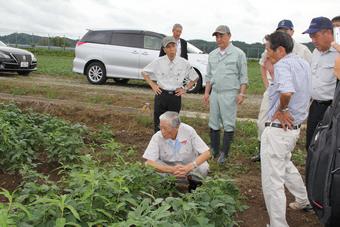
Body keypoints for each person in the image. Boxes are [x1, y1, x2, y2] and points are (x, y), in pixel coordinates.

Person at [261, 31, 312, 227]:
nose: (267, 54)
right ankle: (303, 199)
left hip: (278, 130)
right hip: (292, 129)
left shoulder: (282, 65)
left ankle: (278, 224)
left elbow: (287, 92)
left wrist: (282, 109)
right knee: (286, 164)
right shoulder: (302, 63)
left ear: (280, 50)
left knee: (273, 181)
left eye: (268, 50)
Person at [252, 19, 312, 162]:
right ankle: (264, 149)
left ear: (292, 31)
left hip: (290, 95)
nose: (283, 33)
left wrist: (283, 109)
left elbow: (289, 90)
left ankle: (277, 152)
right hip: (275, 89)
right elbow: (263, 65)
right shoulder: (272, 46)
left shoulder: (301, 50)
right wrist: (268, 86)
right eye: (280, 30)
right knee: (263, 121)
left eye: (286, 30)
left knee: (284, 127)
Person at [203, 25, 248, 164]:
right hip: (215, 93)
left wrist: (241, 94)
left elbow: (243, 76)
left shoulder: (238, 54)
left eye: (221, 36)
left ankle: (224, 153)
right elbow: (209, 76)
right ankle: (215, 150)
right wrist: (206, 93)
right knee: (213, 122)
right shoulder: (212, 54)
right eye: (216, 36)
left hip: (230, 93)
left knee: (228, 123)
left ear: (229, 36)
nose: (218, 39)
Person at [142, 36, 198, 132]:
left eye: (173, 46)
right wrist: (153, 85)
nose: (171, 49)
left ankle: (172, 144)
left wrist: (185, 89)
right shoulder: (158, 62)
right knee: (159, 124)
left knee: (173, 124)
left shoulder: (183, 63)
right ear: (164, 49)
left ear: (176, 47)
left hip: (175, 97)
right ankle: (159, 143)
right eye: (168, 47)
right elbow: (144, 72)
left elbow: (195, 77)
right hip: (161, 95)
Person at [142, 111, 211, 188]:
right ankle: (168, 186)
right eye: (160, 127)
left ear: (177, 127)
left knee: (203, 167)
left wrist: (189, 167)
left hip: (189, 168)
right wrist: (171, 169)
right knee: (150, 166)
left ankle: (194, 187)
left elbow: (206, 153)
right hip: (168, 169)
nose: (162, 131)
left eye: (165, 128)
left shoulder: (188, 131)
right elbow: (149, 162)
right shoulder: (157, 137)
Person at [303, 17, 338, 151]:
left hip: (332, 109)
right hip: (316, 107)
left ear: (329, 33)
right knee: (311, 145)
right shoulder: (316, 52)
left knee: (329, 148)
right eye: (311, 37)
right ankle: (312, 171)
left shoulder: (338, 53)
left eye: (315, 36)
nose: (313, 40)